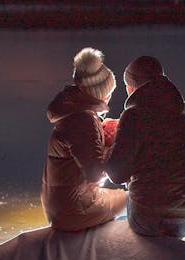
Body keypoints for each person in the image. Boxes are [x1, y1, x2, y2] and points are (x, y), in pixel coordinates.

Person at [104, 55, 185, 238]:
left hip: (150, 219)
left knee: (117, 212)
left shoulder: (133, 117)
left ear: (132, 87)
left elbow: (117, 175)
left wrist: (110, 143)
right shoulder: (184, 120)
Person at [41, 47, 128, 232]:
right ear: (99, 93)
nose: (110, 97)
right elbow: (95, 172)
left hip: (59, 205)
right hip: (74, 210)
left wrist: (103, 133)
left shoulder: (71, 112)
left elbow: (80, 150)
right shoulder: (83, 121)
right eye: (109, 92)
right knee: (133, 201)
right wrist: (117, 143)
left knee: (120, 198)